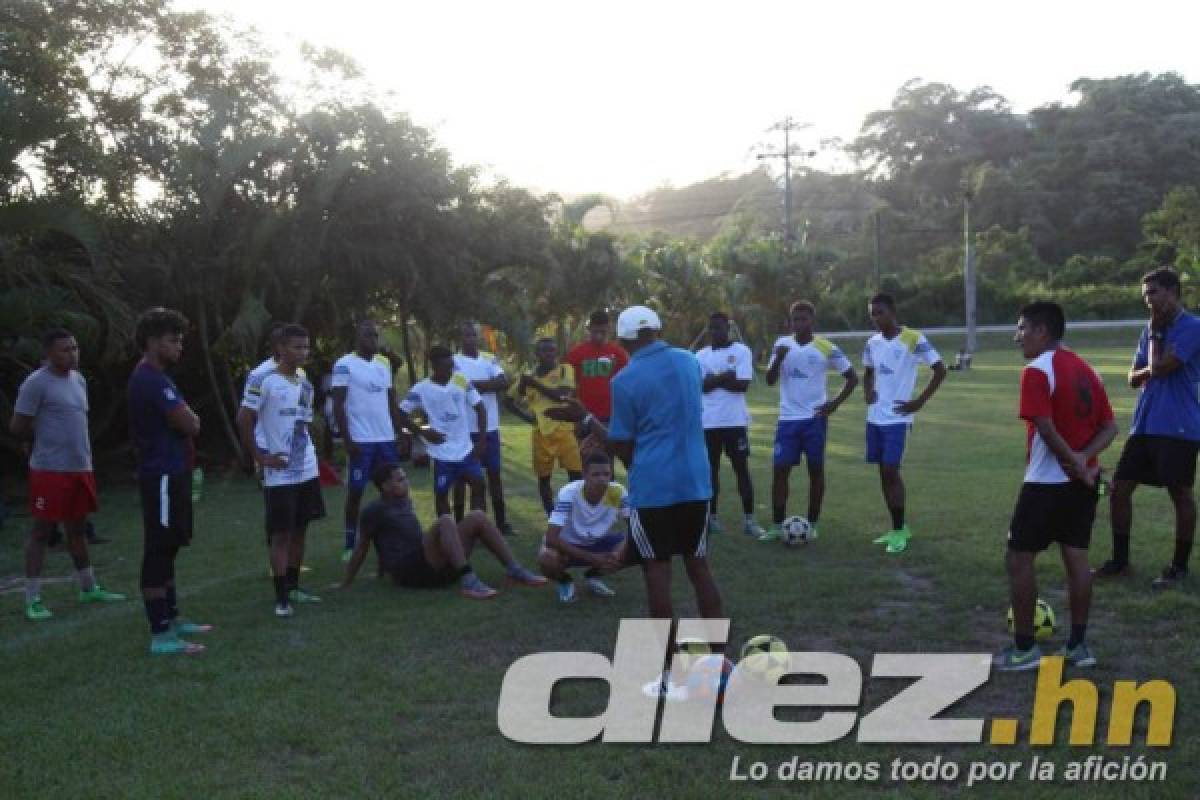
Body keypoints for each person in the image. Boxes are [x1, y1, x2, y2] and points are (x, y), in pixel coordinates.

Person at [607, 304, 723, 695]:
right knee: (699, 568)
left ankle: (674, 675)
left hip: (654, 489)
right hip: (696, 482)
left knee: (657, 576)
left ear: (623, 340)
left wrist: (599, 432)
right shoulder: (690, 361)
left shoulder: (624, 380)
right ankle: (719, 664)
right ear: (657, 329)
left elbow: (623, 443)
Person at [995, 302, 1117, 671]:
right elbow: (1110, 428)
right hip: (1083, 483)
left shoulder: (1036, 370)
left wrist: (1073, 461)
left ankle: (1024, 650)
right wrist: (1083, 462)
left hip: (1045, 483)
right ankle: (1078, 647)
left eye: (1022, 329)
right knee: (1077, 559)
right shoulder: (1088, 369)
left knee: (1018, 559)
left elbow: (1045, 428)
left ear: (1042, 331)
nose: (1017, 337)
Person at [1095, 268, 1200, 589]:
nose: (1148, 301)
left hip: (1179, 424)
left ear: (1172, 292)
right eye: (1145, 296)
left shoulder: (1192, 327)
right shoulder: (1149, 330)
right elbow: (1132, 377)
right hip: (1145, 423)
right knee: (1119, 490)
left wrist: (1154, 340)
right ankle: (1121, 561)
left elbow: (1161, 367)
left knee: (1179, 493)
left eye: (1153, 293)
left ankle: (1179, 566)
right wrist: (1151, 354)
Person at [10, 329, 125, 620]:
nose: (72, 354)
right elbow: (18, 426)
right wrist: (38, 444)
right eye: (64, 349)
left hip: (80, 468)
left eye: (74, 348)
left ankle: (88, 587)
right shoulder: (36, 383)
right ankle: (32, 598)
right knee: (41, 532)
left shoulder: (79, 380)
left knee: (77, 530)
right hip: (50, 470)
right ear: (49, 353)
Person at [128, 307, 212, 655]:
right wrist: (189, 418)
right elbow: (190, 423)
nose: (179, 347)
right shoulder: (149, 378)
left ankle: (173, 617)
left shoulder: (161, 376)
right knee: (159, 550)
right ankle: (160, 633)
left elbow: (187, 420)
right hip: (160, 474)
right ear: (152, 342)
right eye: (172, 341)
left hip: (174, 471)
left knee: (171, 546)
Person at [335, 463, 546, 596]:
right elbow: (363, 547)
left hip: (431, 564)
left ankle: (515, 571)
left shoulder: (404, 501)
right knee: (445, 519)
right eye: (400, 480)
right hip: (409, 571)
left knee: (477, 517)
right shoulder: (374, 510)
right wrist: (346, 583)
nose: (406, 483)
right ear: (384, 487)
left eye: (405, 477)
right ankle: (470, 581)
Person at [761, 301, 858, 541]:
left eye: (803, 319)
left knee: (815, 471)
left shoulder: (826, 347)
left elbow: (852, 378)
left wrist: (833, 405)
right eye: (795, 319)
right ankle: (776, 525)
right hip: (787, 420)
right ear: (790, 321)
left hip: (815, 420)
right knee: (780, 471)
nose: (799, 324)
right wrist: (777, 360)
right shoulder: (782, 345)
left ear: (812, 321)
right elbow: (770, 380)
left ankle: (812, 524)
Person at [861, 293, 947, 553]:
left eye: (880, 312)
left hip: (898, 418)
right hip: (875, 417)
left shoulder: (913, 338)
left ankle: (900, 529)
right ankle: (896, 528)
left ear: (893, 311)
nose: (876, 318)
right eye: (873, 314)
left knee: (890, 470)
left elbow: (940, 369)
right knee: (882, 472)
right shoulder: (872, 343)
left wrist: (918, 402)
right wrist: (867, 391)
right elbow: (867, 371)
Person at [254, 324, 325, 617]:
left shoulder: (303, 378)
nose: (303, 353)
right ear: (279, 348)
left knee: (301, 526)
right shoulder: (261, 377)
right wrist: (259, 456)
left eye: (306, 347)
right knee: (281, 533)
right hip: (278, 467)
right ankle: (281, 597)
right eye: (297, 347)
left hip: (304, 464)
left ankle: (294, 586)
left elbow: (302, 420)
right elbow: (245, 418)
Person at [332, 320, 406, 561]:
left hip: (385, 439)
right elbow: (338, 405)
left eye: (375, 336)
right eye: (368, 336)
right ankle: (349, 543)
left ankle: (398, 536)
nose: (373, 340)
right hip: (361, 441)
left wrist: (400, 432)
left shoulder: (383, 364)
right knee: (356, 492)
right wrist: (347, 439)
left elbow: (391, 401)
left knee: (395, 489)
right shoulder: (344, 365)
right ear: (357, 339)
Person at [694, 311, 764, 537]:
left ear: (728, 329)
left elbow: (742, 384)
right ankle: (711, 519)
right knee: (710, 471)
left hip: (735, 422)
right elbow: (701, 387)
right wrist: (726, 375)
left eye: (719, 328)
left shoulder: (741, 351)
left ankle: (749, 520)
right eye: (712, 328)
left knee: (741, 469)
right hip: (708, 423)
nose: (715, 332)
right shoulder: (700, 355)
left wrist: (714, 380)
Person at [397, 345, 487, 517]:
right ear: (434, 366)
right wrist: (422, 432)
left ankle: (475, 529)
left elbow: (481, 409)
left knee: (479, 485)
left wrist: (481, 441)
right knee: (441, 494)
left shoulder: (461, 380)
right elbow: (400, 414)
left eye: (452, 365)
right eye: (447, 367)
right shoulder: (421, 389)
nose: (451, 370)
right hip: (441, 454)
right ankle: (446, 532)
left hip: (466, 450)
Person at [538, 450, 630, 603]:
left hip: (597, 542)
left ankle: (594, 576)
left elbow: (635, 528)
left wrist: (618, 553)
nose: (602, 479)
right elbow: (551, 538)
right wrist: (592, 558)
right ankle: (565, 581)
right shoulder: (569, 493)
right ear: (585, 475)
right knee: (547, 558)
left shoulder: (617, 492)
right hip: (567, 545)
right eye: (596, 475)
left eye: (606, 474)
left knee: (635, 547)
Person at [506, 338, 581, 514]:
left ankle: (576, 513)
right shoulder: (527, 377)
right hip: (541, 434)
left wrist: (534, 384)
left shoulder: (564, 369)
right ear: (537, 354)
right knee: (544, 478)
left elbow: (561, 396)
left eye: (553, 350)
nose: (551, 354)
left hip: (564, 430)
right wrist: (527, 418)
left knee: (576, 476)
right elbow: (508, 401)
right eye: (546, 351)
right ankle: (551, 515)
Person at [452, 322, 514, 535]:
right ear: (460, 338)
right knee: (462, 478)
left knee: (494, 475)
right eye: (466, 335)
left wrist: (471, 384)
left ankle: (501, 523)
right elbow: (455, 386)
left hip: (490, 428)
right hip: (464, 429)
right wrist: (488, 384)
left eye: (473, 335)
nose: (470, 338)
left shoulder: (489, 358)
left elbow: (503, 381)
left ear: (478, 337)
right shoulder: (453, 361)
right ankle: (460, 524)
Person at [564, 309, 628, 427]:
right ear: (589, 329)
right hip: (583, 415)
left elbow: (626, 385)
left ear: (609, 329)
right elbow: (568, 386)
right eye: (595, 331)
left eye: (602, 332)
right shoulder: (576, 353)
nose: (598, 335)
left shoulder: (619, 353)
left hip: (611, 415)